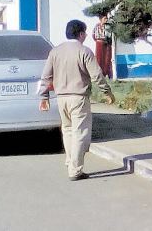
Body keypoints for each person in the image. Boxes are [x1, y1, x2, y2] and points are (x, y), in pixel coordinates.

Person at [37, 20, 116, 181]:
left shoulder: (55, 52)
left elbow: (45, 77)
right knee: (80, 133)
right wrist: (107, 92)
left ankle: (70, 159)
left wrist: (44, 96)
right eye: (85, 33)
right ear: (80, 34)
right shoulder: (84, 51)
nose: (86, 35)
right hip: (79, 97)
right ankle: (75, 170)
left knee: (67, 130)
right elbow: (96, 75)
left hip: (61, 98)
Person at [92, 14, 113, 78]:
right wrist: (99, 41)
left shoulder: (108, 26)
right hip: (99, 44)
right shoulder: (96, 26)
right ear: (100, 19)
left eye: (107, 18)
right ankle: (100, 75)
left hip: (107, 44)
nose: (106, 20)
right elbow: (93, 35)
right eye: (105, 19)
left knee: (107, 59)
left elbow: (110, 35)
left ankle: (108, 74)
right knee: (99, 59)